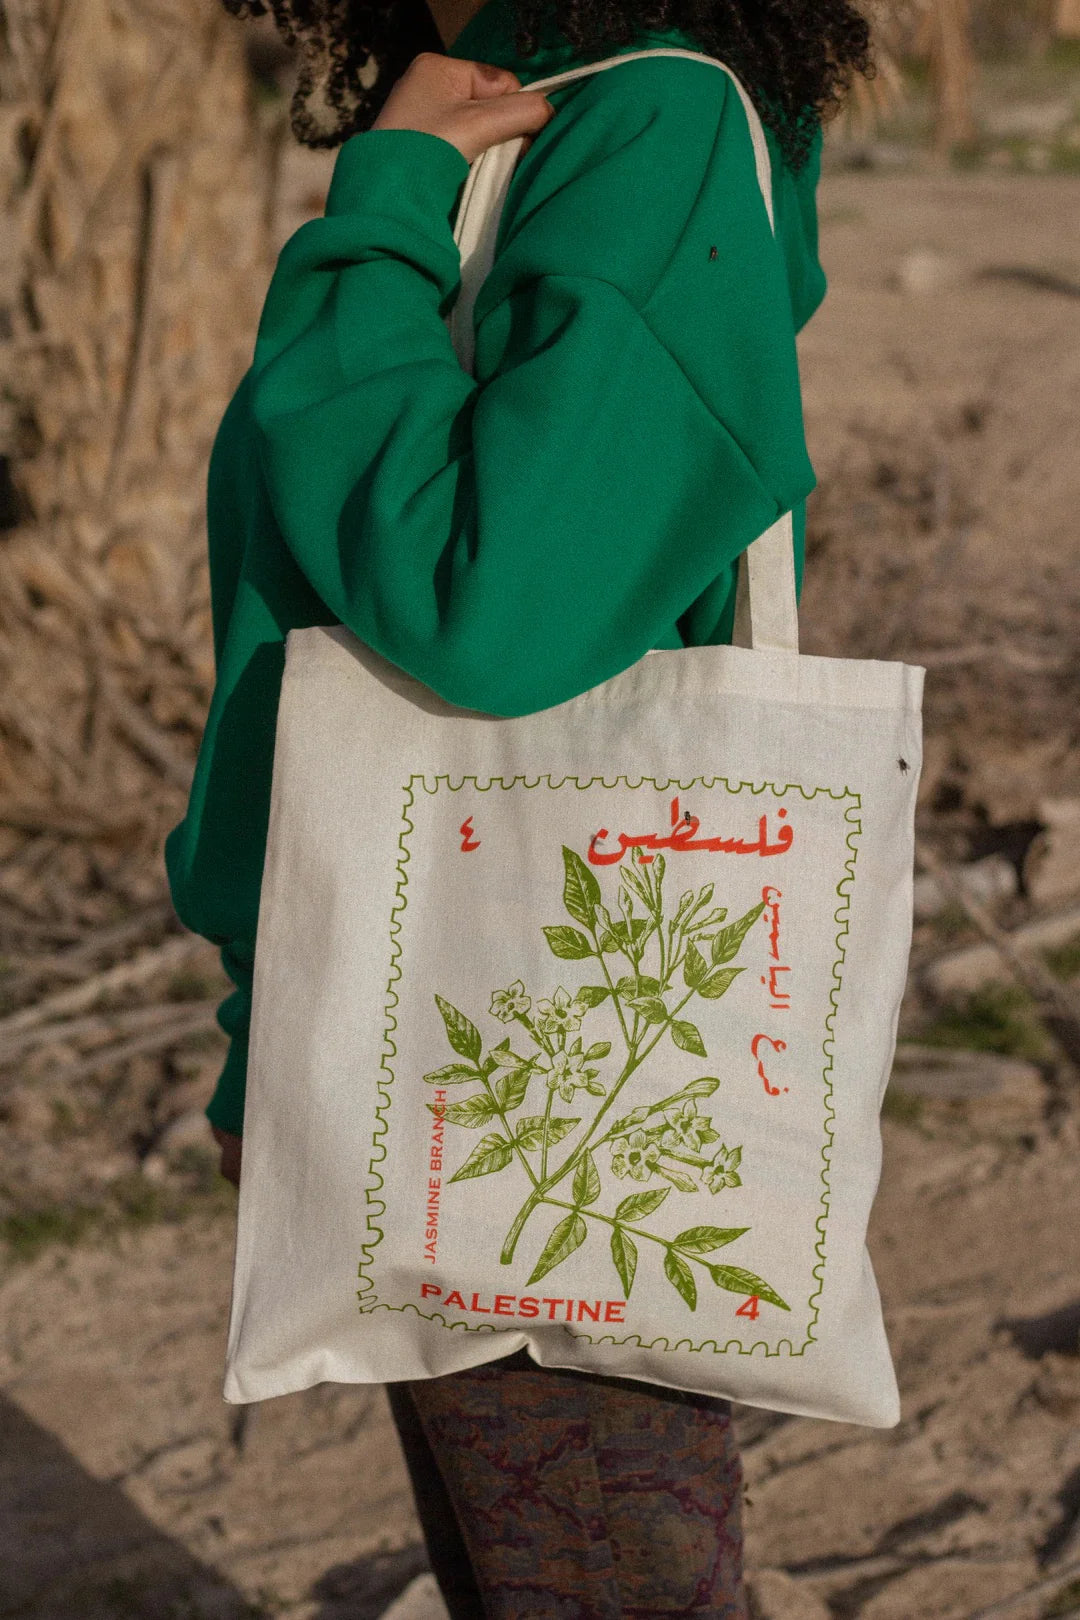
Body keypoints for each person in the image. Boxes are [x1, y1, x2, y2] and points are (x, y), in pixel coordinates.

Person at [166, 0, 872, 1611]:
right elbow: (312, 648)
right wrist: (264, 1030)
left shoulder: (648, 126)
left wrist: (380, 218)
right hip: (399, 1028)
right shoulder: (498, 112)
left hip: (551, 1051)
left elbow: (489, 612)